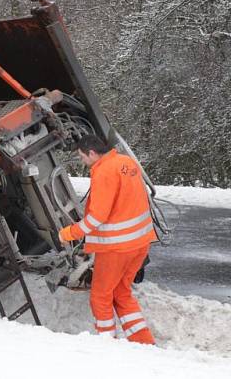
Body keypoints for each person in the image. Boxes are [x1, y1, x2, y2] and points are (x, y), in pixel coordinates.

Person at [59, 135, 157, 345]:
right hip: (140, 243)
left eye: (82, 156)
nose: (82, 161)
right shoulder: (125, 162)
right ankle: (144, 343)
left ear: (92, 153)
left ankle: (106, 345)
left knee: (100, 295)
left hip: (116, 248)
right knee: (121, 292)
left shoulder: (104, 171)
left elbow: (97, 217)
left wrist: (68, 233)